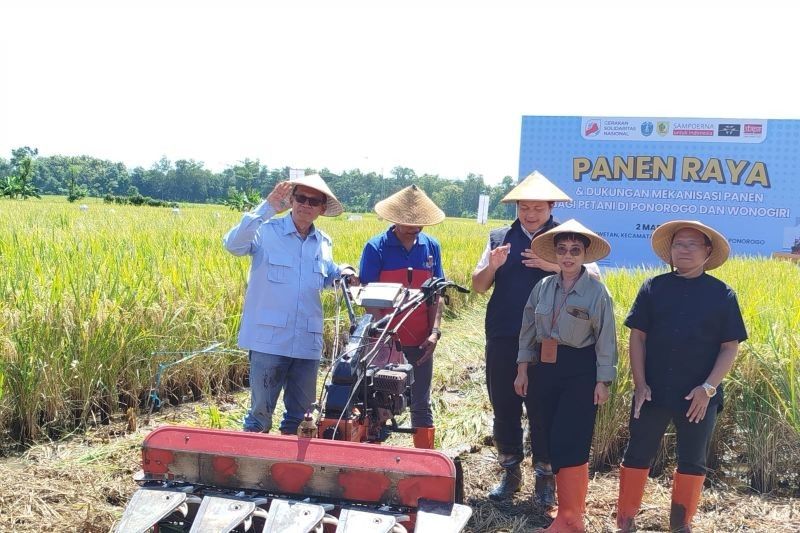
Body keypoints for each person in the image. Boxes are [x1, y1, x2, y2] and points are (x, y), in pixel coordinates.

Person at [472, 171, 599, 503]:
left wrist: (553, 265)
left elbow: (595, 279)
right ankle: (510, 472)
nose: (530, 214)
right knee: (504, 403)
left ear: (551, 206)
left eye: (537, 209)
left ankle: (545, 477)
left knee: (544, 408)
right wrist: (493, 267)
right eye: (524, 208)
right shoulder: (499, 238)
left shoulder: (565, 237)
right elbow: (478, 284)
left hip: (551, 341)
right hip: (504, 334)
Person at [615, 220, 748, 533]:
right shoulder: (652, 288)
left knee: (692, 460)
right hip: (654, 391)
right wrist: (640, 383)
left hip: (698, 397)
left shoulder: (722, 295)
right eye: (678, 244)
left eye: (692, 244)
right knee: (637, 453)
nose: (684, 250)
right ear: (670, 252)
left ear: (707, 251)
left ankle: (681, 523)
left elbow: (730, 347)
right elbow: (638, 337)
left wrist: (708, 388)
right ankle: (625, 521)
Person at [223, 175, 355, 435]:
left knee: (301, 418)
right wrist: (267, 207)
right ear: (291, 200)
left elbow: (328, 276)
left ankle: (289, 473)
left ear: (321, 209)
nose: (306, 204)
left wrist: (345, 272)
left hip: (307, 343)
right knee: (259, 417)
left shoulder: (323, 243)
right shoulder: (266, 232)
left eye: (313, 201)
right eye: (300, 198)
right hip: (269, 341)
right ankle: (253, 469)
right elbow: (233, 245)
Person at [513, 219, 617, 532]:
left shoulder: (597, 292)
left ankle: (571, 519)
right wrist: (522, 370)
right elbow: (527, 331)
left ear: (585, 254)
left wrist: (603, 381)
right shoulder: (543, 287)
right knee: (547, 436)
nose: (568, 256)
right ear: (555, 254)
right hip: (544, 369)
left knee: (571, 440)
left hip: (580, 371)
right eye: (562, 250)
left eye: (575, 250)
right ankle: (567, 514)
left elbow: (606, 339)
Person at [358, 185, 446, 449]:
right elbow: (369, 298)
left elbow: (436, 294)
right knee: (378, 403)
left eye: (418, 222)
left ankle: (424, 461)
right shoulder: (376, 248)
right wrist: (383, 339)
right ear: (394, 218)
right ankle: (371, 458)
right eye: (408, 221)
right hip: (384, 341)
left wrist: (434, 332)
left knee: (421, 401)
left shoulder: (431, 247)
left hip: (420, 340)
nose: (413, 226)